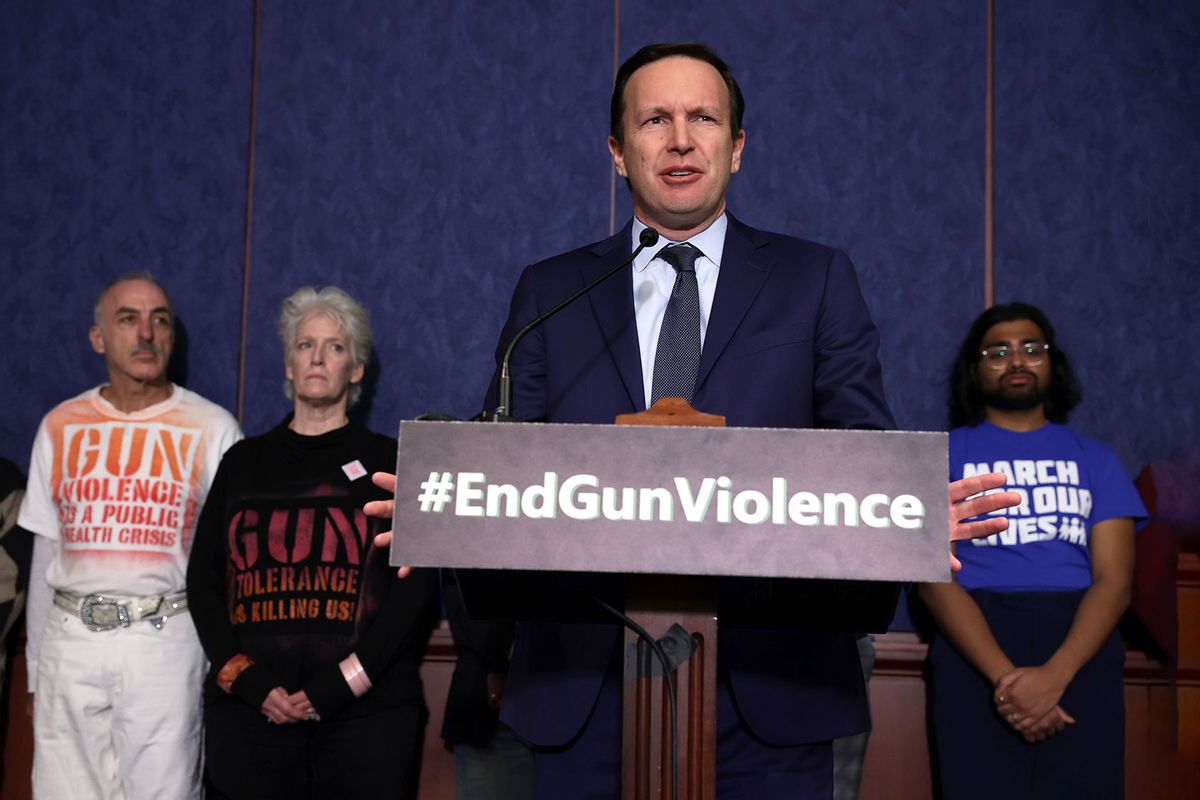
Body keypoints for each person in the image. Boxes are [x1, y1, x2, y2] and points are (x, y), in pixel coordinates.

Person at [370, 42, 1015, 799]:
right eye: (655, 120)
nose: (680, 138)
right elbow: (512, 449)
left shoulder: (815, 278)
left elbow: (863, 445)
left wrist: (902, 518)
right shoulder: (552, 289)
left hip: (772, 683)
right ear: (618, 152)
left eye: (703, 117)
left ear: (735, 147)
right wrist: (444, 509)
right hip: (587, 683)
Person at [187, 286, 438, 799]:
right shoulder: (243, 463)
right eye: (305, 345)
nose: (318, 357)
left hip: (366, 720)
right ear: (287, 365)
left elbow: (415, 590)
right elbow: (204, 583)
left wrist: (340, 685)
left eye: (335, 346)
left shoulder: (393, 463)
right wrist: (251, 684)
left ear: (357, 369)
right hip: (251, 717)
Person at [17, 272, 242, 798]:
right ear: (98, 338)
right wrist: (34, 674)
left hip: (167, 640)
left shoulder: (213, 428)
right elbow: (45, 554)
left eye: (159, 320)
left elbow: (230, 566)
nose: (146, 332)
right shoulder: (59, 425)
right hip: (69, 643)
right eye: (128, 319)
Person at [918, 302, 1146, 799]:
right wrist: (1008, 681)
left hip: (1079, 641)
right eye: (997, 351)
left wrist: (1054, 676)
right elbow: (930, 573)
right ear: (975, 369)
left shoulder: (1097, 459)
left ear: (1052, 362)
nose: (1016, 360)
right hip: (974, 641)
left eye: (1031, 348)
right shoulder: (939, 454)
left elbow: (1115, 580)